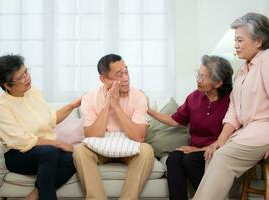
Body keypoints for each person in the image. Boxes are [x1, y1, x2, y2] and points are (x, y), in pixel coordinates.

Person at [193, 12, 269, 200]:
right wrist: (220, 140)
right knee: (213, 153)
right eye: (236, 40)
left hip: (263, 129)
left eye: (240, 40)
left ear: (258, 41)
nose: (236, 44)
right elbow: (234, 111)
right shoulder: (242, 71)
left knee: (222, 158)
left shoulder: (267, 60)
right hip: (247, 131)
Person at [0, 55, 81, 200]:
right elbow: (21, 141)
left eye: (26, 72)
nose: (27, 78)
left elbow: (50, 120)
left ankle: (33, 196)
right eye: (20, 77)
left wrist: (72, 105)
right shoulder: (0, 106)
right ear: (7, 85)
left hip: (45, 150)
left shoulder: (33, 92)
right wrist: (58, 143)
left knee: (74, 157)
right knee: (50, 152)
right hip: (17, 155)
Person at [147, 55, 233, 200]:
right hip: (196, 150)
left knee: (190, 160)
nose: (197, 79)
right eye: (197, 74)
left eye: (202, 77)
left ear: (218, 83)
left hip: (218, 150)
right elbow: (174, 120)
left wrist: (199, 150)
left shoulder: (232, 101)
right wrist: (148, 110)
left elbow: (232, 136)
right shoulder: (194, 97)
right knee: (173, 158)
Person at [73, 54, 155, 200]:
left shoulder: (138, 96)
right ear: (103, 79)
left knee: (146, 150)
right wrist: (107, 105)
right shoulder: (89, 98)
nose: (126, 78)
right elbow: (92, 135)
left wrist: (117, 106)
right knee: (80, 151)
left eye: (126, 72)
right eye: (119, 74)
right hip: (100, 147)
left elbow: (140, 137)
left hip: (129, 147)